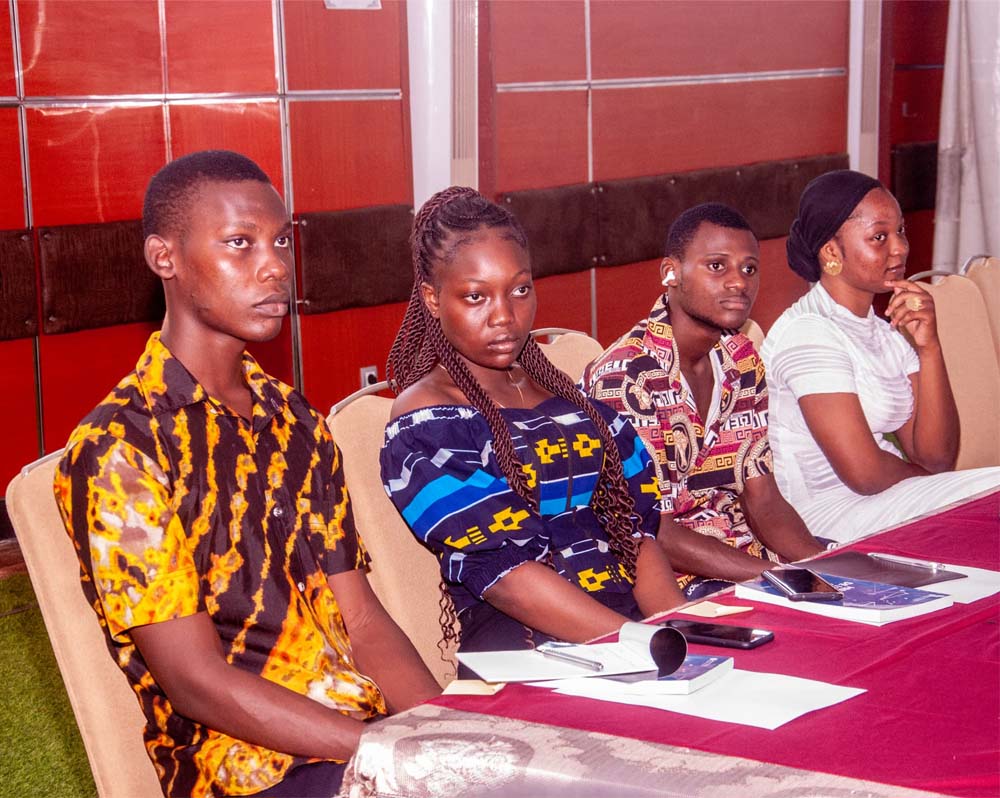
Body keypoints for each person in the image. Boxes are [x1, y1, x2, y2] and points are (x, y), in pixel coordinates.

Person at [54, 151, 440, 798]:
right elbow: (195, 681)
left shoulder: (294, 420)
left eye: (280, 240)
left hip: (358, 746)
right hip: (243, 774)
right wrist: (389, 749)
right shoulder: (122, 446)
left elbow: (362, 621)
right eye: (240, 244)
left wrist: (444, 733)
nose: (274, 266)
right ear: (164, 258)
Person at [379, 186, 684, 663]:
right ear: (433, 299)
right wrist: (637, 646)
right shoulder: (427, 423)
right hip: (527, 653)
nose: (505, 317)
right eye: (475, 296)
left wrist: (680, 634)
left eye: (519, 289)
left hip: (630, 635)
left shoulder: (566, 398)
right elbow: (507, 578)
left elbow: (636, 533)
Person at [583, 203, 825, 599]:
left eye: (749, 269)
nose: (738, 282)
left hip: (742, 557)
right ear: (670, 273)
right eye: (717, 266)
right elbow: (650, 529)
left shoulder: (742, 360)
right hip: (664, 580)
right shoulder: (628, 375)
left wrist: (821, 567)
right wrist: (779, 577)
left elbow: (762, 497)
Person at [761, 169, 1000, 542]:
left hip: (885, 500)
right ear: (831, 253)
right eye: (879, 237)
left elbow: (936, 457)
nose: (900, 247)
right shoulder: (808, 332)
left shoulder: (884, 332)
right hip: (825, 518)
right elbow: (864, 472)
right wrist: (946, 491)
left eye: (901, 231)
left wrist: (930, 348)